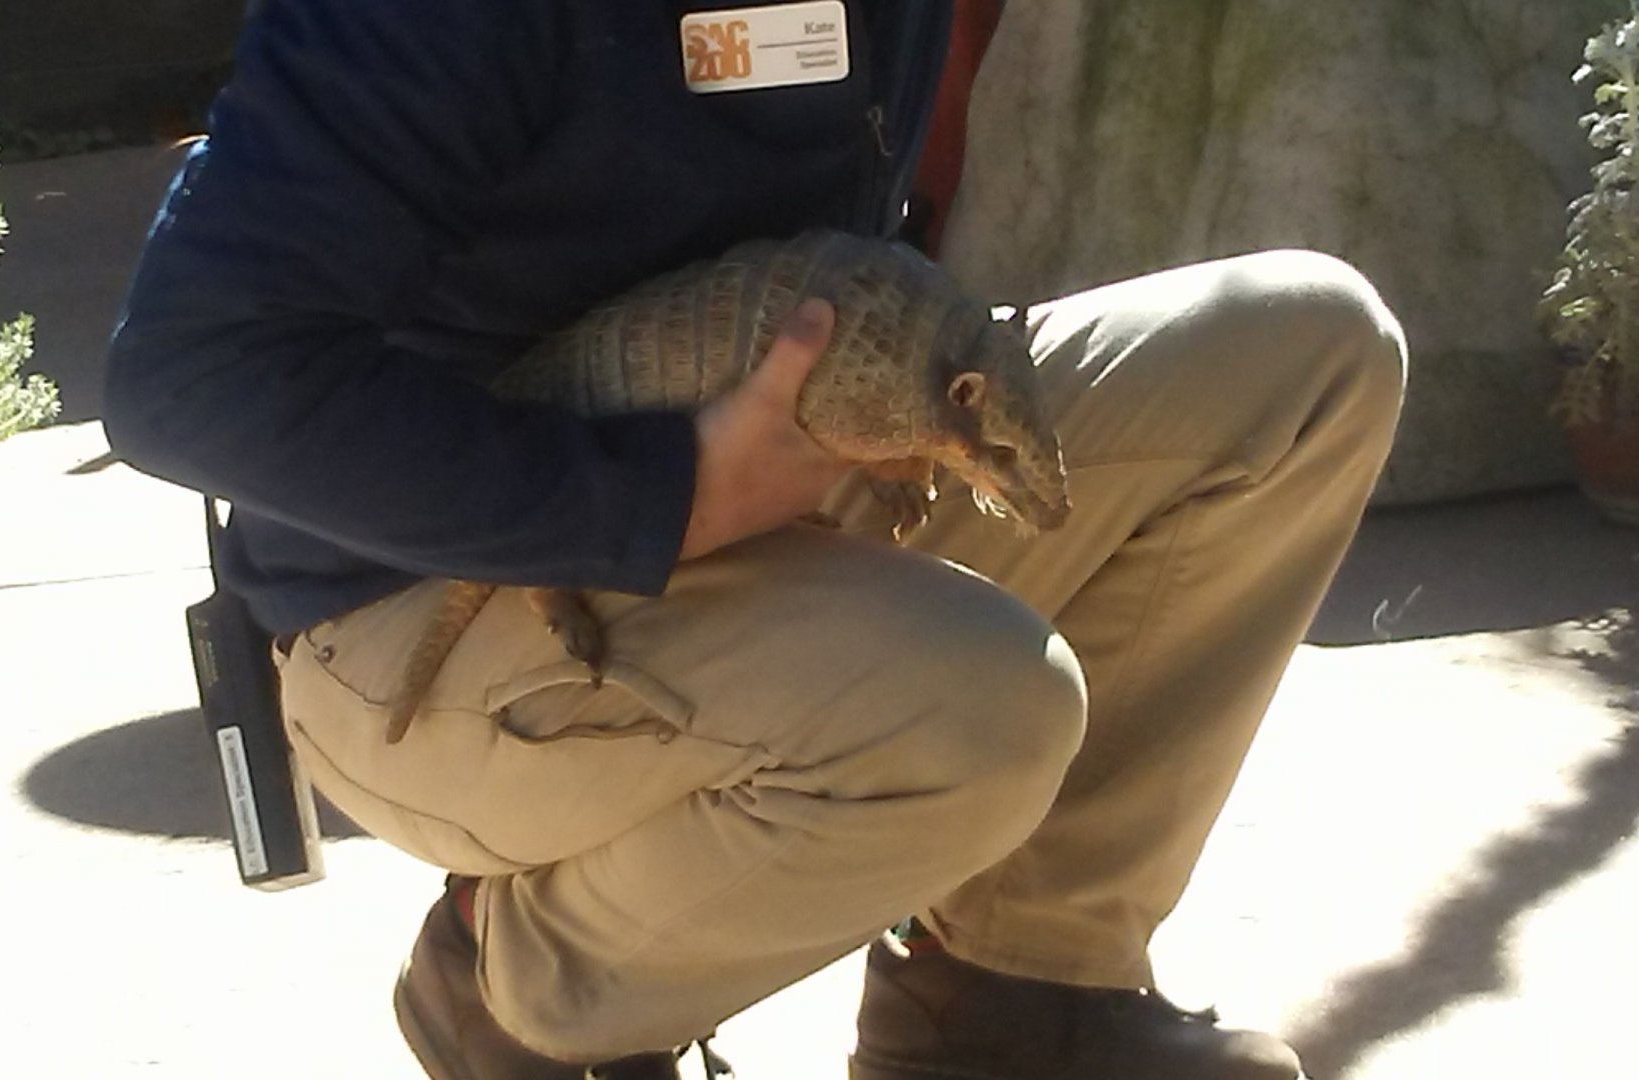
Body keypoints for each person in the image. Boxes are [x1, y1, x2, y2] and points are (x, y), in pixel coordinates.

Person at [103, 2, 1407, 1078]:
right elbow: (185, 379)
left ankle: (1018, 1001)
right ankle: (520, 991)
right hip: (423, 595)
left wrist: (876, 408)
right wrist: (655, 497)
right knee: (980, 707)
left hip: (748, 477)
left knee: (1305, 352)